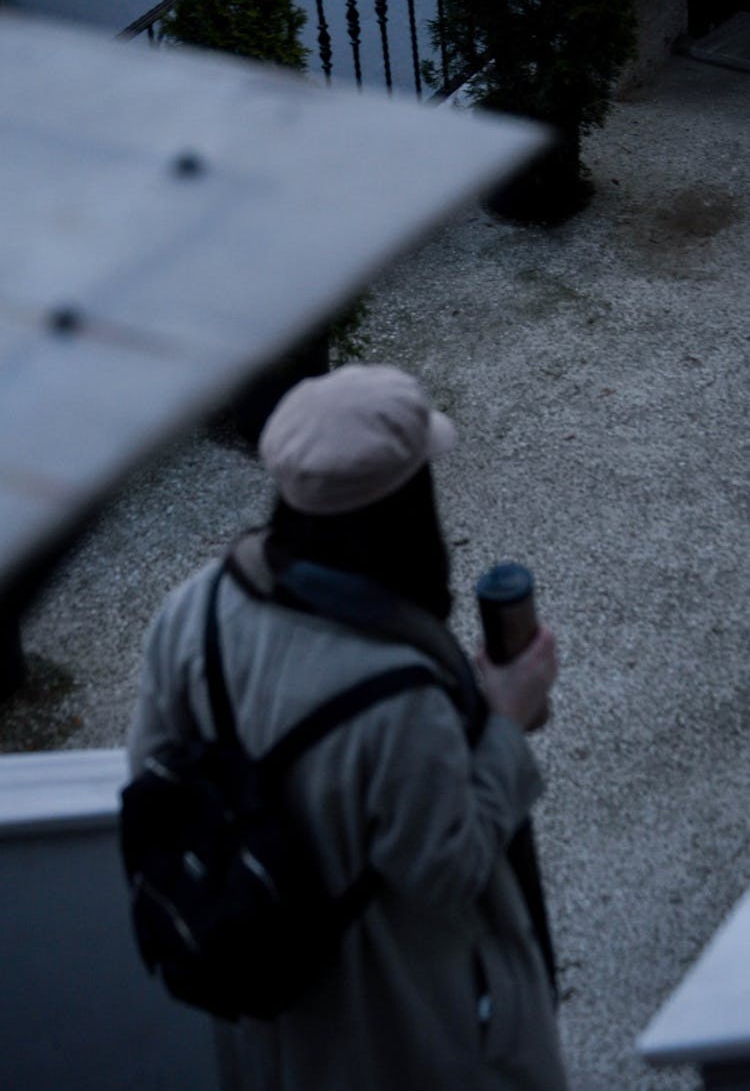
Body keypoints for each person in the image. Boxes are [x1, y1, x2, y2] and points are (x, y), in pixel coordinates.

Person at [128, 363, 568, 1091]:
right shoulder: (399, 696)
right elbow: (447, 867)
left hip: (266, 1014)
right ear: (406, 506)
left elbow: (151, 775)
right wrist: (505, 718)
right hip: (398, 1029)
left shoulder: (191, 613)